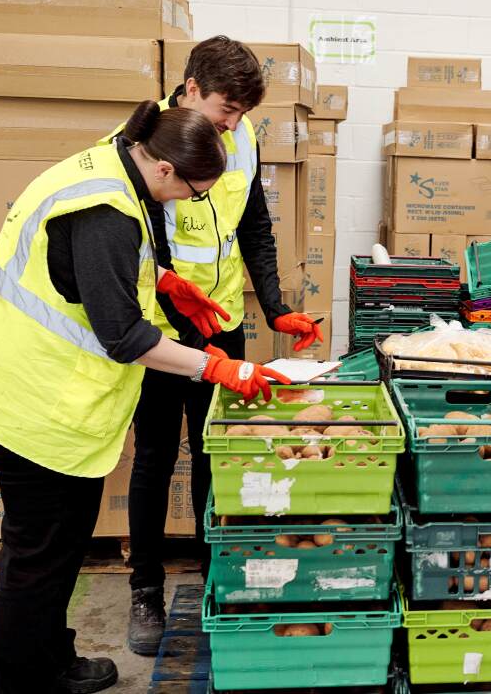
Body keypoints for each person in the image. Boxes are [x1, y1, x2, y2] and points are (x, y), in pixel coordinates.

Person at [0, 102, 290, 694]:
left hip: (56, 397)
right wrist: (215, 366)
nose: (188, 203)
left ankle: (52, 660)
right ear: (165, 170)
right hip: (27, 394)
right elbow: (124, 335)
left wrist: (166, 283)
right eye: (193, 193)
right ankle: (21, 683)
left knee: (67, 539)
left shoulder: (121, 167)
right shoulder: (104, 210)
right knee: (36, 554)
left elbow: (102, 272)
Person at [97, 36, 322, 655]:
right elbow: (143, 253)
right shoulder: (142, 147)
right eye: (227, 109)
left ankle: (211, 570)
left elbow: (254, 225)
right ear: (191, 88)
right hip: (158, 329)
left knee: (213, 450)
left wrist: (275, 307)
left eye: (242, 113)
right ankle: (145, 588)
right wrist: (192, 338)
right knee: (155, 455)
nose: (233, 124)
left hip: (220, 318)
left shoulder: (241, 137)